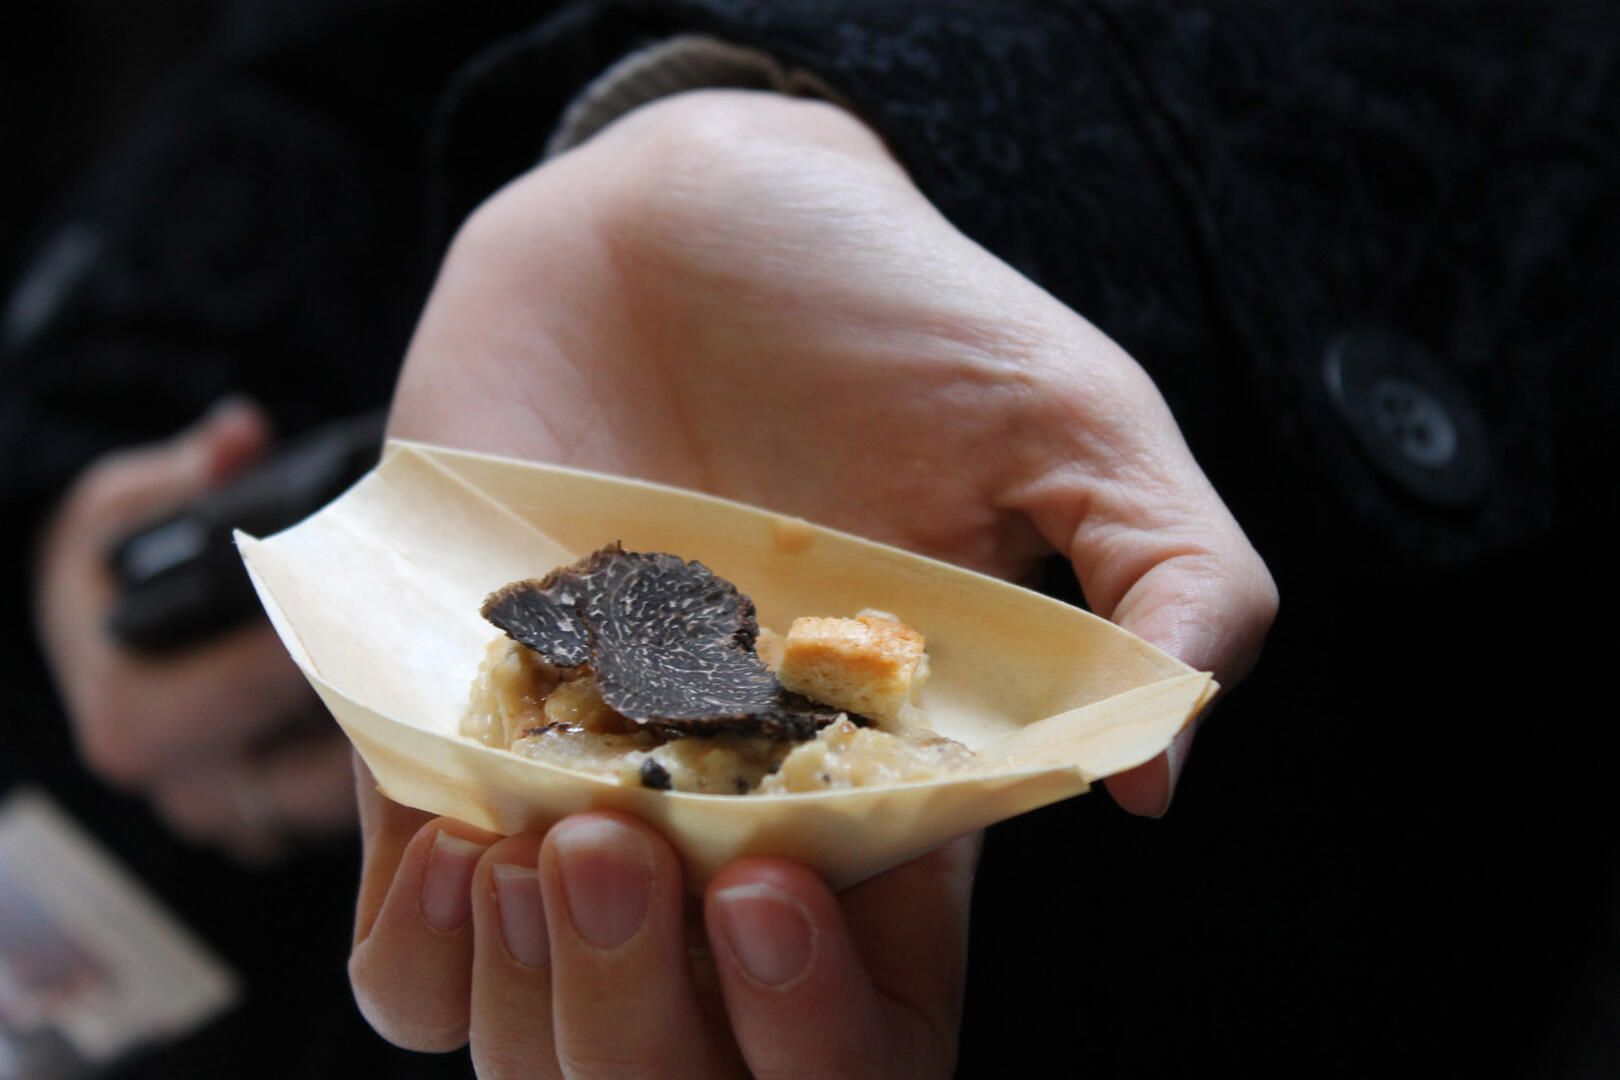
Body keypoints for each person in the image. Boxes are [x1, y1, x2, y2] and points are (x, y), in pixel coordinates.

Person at [5, 1, 1615, 1076]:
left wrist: (937, 133)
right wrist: (110, 400)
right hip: (274, 722)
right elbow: (323, 61)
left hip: (1235, 856)